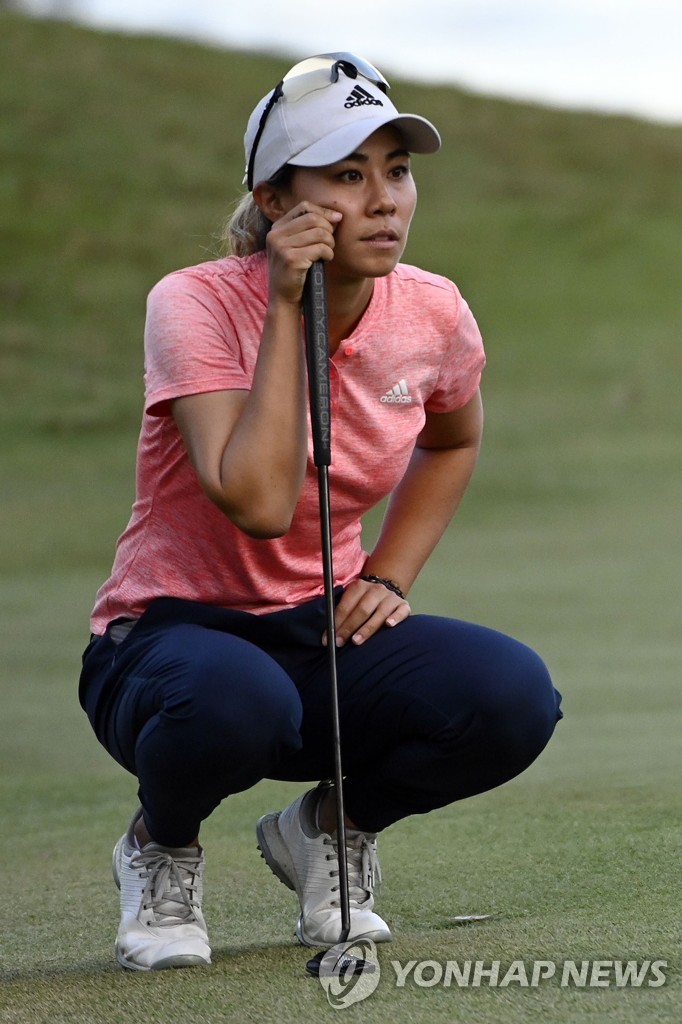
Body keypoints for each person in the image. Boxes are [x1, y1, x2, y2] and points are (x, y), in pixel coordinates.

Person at [79, 52, 562, 973]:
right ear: (275, 201)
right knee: (232, 699)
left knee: (513, 697)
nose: (385, 199)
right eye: (348, 175)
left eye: (398, 170)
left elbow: (452, 441)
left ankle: (327, 829)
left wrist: (390, 572)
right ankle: (162, 842)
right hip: (166, 641)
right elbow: (259, 501)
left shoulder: (433, 310)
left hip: (321, 628)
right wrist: (284, 306)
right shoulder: (192, 303)